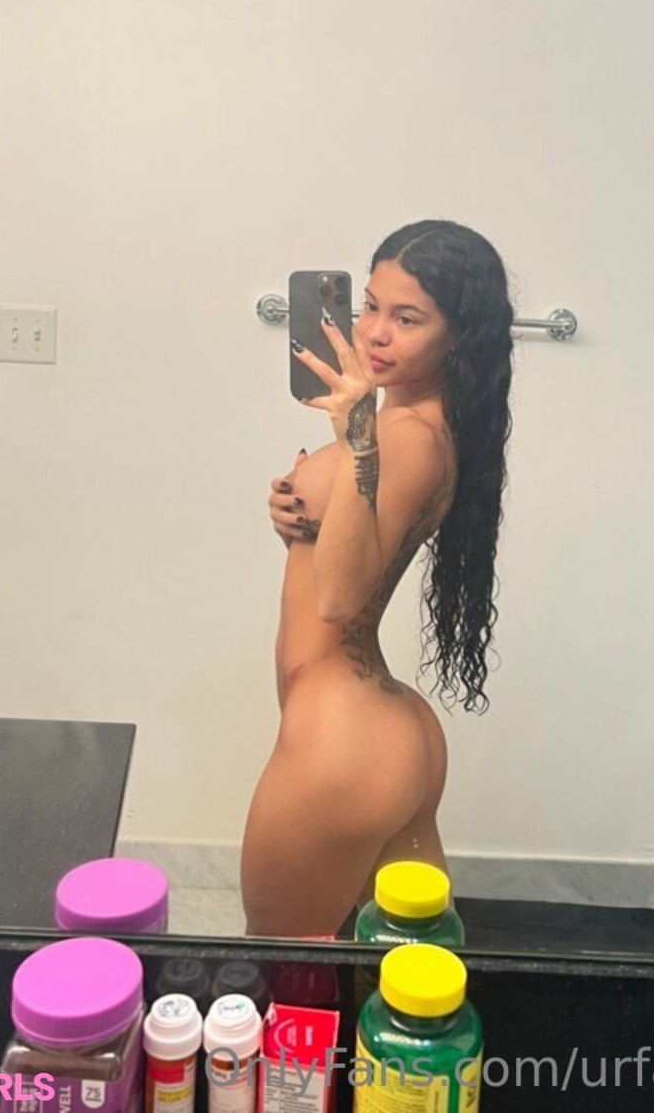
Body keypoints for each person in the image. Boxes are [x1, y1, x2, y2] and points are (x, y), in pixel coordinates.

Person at [240, 220, 515, 936]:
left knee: (284, 966)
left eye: (407, 318)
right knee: (408, 969)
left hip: (344, 741)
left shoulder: (405, 435)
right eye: (369, 305)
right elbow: (356, 546)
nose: (373, 332)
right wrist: (298, 516)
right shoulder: (417, 421)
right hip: (383, 730)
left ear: (459, 337)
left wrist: (356, 443)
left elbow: (336, 598)